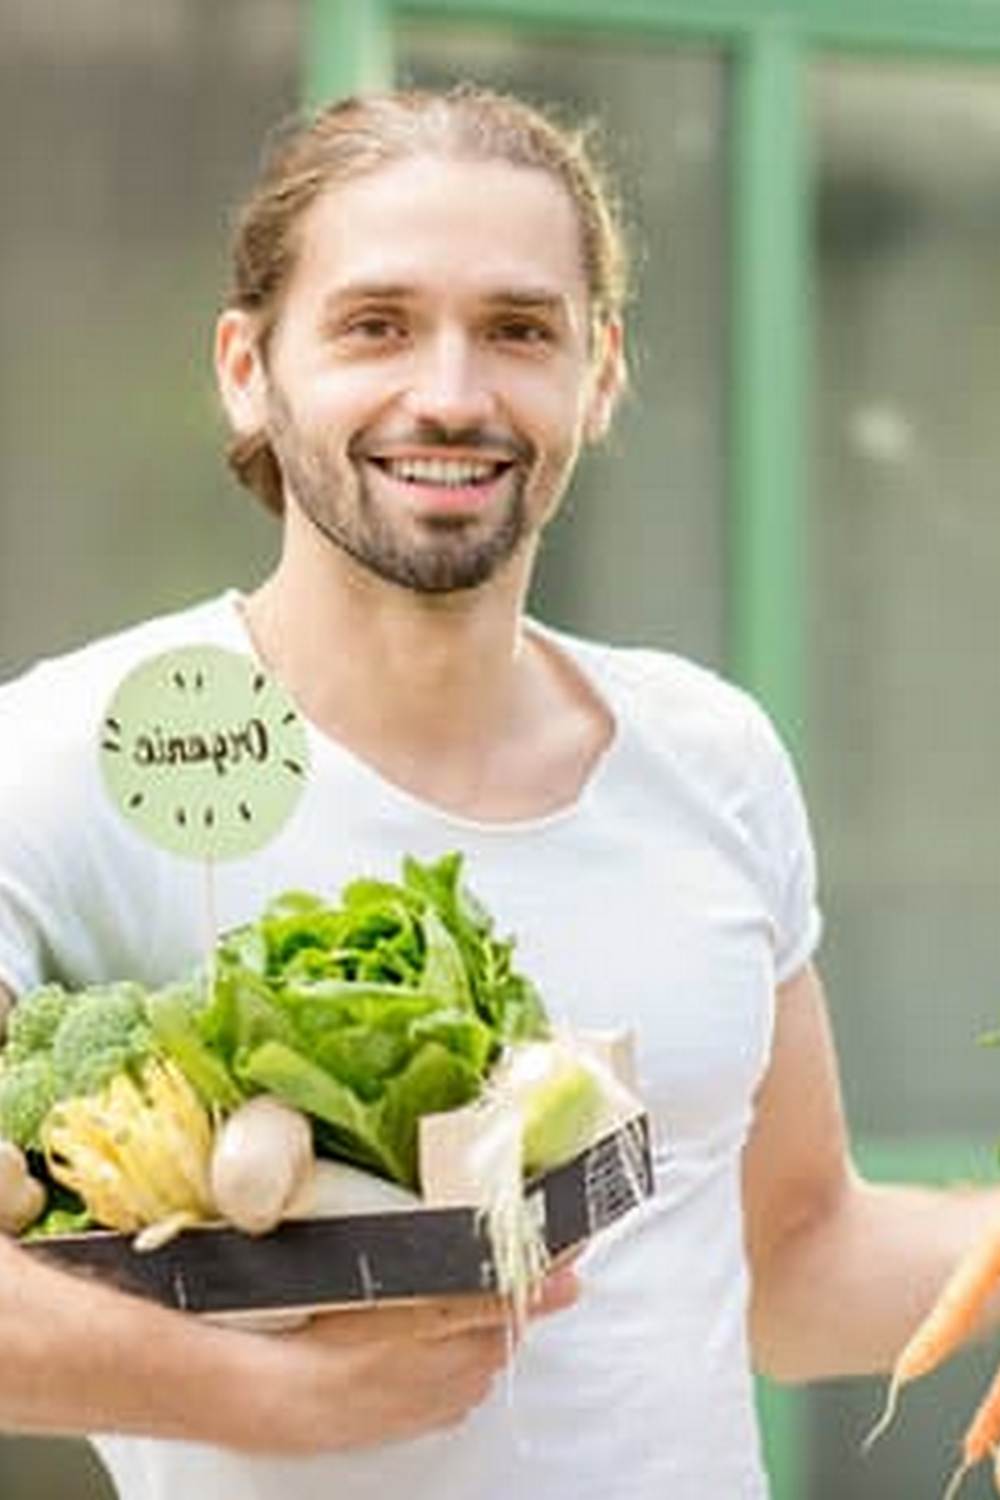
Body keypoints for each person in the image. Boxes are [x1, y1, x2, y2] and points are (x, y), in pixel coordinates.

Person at [0, 84, 996, 1500]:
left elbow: (795, 1261)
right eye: (376, 325)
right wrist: (277, 1399)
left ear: (600, 371)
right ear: (245, 366)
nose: (453, 394)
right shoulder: (66, 758)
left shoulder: (708, 753)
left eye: (520, 329)